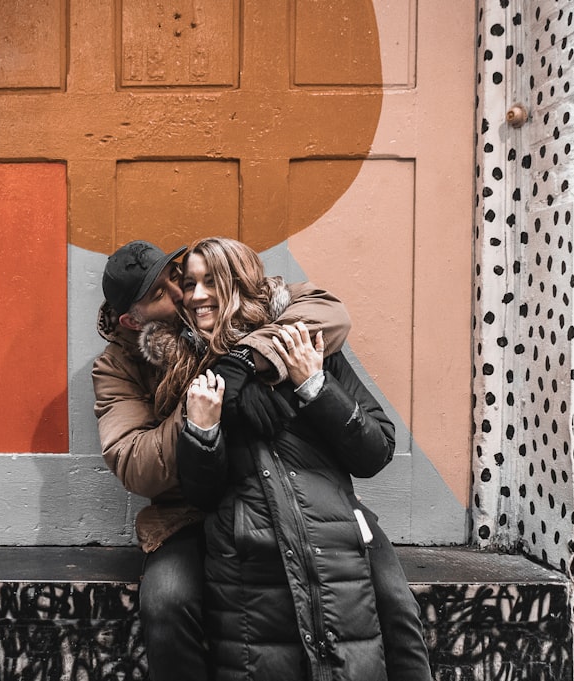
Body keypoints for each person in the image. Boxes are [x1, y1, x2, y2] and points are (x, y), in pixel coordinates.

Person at [142, 237, 432, 680]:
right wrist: (203, 429)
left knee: (397, 613)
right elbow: (202, 493)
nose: (197, 295)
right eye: (190, 283)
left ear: (239, 283)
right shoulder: (192, 370)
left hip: (330, 529)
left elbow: (376, 450)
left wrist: (313, 385)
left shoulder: (305, 345)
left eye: (210, 281)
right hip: (249, 545)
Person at [92, 240, 353, 681]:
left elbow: (329, 313)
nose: (180, 294)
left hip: (272, 496)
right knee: (167, 600)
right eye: (158, 294)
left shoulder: (220, 308)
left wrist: (246, 359)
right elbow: (134, 462)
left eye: (174, 276)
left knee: (380, 588)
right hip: (187, 515)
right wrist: (204, 401)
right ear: (130, 319)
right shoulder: (117, 367)